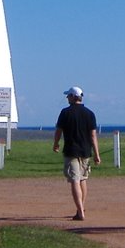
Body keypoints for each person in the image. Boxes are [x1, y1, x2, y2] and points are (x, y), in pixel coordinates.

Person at [53, 86, 101, 220]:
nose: (67, 98)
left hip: (71, 151)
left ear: (73, 97)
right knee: (83, 179)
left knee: (75, 180)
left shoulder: (65, 113)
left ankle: (80, 211)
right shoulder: (90, 113)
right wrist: (97, 154)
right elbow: (93, 136)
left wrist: (56, 143)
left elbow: (59, 131)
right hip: (85, 151)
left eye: (68, 96)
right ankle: (81, 207)